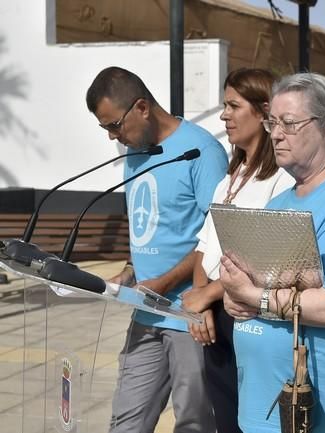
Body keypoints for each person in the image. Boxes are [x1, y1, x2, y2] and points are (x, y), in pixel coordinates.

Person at [218, 72, 325, 432]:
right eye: (273, 122)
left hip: (321, 411)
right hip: (268, 405)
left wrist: (254, 298)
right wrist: (235, 296)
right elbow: (255, 282)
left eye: (289, 124)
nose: (275, 134)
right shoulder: (282, 200)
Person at [86, 66, 228, 433]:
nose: (112, 137)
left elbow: (216, 238)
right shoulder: (135, 150)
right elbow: (152, 226)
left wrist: (165, 282)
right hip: (145, 314)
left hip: (189, 318)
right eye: (105, 129)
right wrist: (131, 271)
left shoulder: (201, 151)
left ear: (142, 107)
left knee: (194, 424)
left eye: (114, 125)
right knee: (125, 423)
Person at [181, 68, 294, 433]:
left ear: (264, 113)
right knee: (225, 417)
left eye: (233, 106)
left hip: (249, 315)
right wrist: (202, 301)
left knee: (254, 419)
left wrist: (208, 296)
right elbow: (205, 248)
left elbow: (266, 258)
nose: (224, 115)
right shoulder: (230, 177)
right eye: (224, 106)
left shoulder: (281, 179)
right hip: (215, 313)